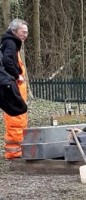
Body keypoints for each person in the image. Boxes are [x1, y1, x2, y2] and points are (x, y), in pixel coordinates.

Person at [1, 19, 28, 159]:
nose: (25, 34)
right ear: (14, 31)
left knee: (17, 116)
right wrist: (17, 76)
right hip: (13, 85)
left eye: (27, 32)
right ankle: (15, 151)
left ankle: (16, 149)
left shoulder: (9, 42)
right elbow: (7, 61)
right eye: (23, 32)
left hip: (11, 84)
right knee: (16, 117)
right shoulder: (11, 43)